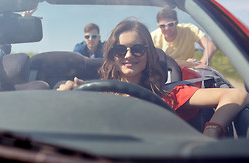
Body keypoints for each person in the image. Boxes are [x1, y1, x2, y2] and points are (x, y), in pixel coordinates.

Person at [59, 18, 249, 138]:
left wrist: (211, 130)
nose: (128, 56)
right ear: (112, 55)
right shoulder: (96, 93)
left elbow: (238, 95)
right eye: (120, 50)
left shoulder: (168, 94)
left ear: (149, 54)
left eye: (137, 49)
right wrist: (67, 96)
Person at [151, 8, 217, 65]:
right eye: (162, 26)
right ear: (158, 26)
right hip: (165, 73)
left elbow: (210, 47)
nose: (167, 28)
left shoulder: (190, 29)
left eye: (170, 24)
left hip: (190, 72)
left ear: (176, 22)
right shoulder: (153, 37)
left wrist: (202, 64)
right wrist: (185, 64)